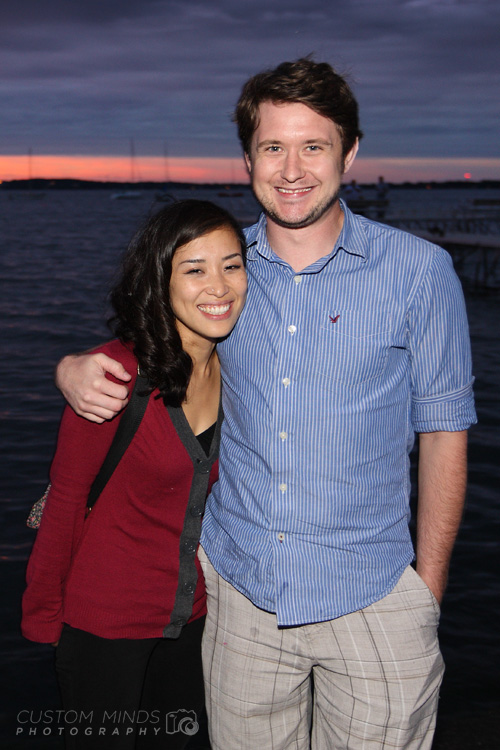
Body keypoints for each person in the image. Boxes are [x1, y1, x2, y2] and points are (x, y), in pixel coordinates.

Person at [55, 58, 476, 750]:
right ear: (247, 157)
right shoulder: (220, 274)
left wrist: (425, 594)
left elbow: (443, 433)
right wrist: (69, 368)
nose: (292, 169)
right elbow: (140, 347)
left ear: (352, 152)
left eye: (314, 145)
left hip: (373, 595)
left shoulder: (420, 273)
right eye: (273, 147)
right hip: (240, 600)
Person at [22, 199, 247, 749]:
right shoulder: (112, 378)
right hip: (105, 628)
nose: (218, 287)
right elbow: (68, 503)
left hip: (191, 623)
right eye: (194, 269)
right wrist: (46, 623)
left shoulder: (242, 366)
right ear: (159, 280)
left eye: (232, 265)